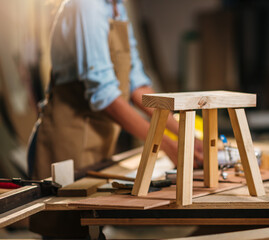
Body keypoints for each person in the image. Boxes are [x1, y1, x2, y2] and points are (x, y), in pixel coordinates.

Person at [27, 0, 203, 238]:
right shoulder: (86, 5)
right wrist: (168, 145)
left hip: (97, 144)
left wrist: (186, 134)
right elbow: (105, 96)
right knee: (67, 230)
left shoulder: (116, 7)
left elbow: (138, 88)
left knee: (91, 226)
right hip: (64, 144)